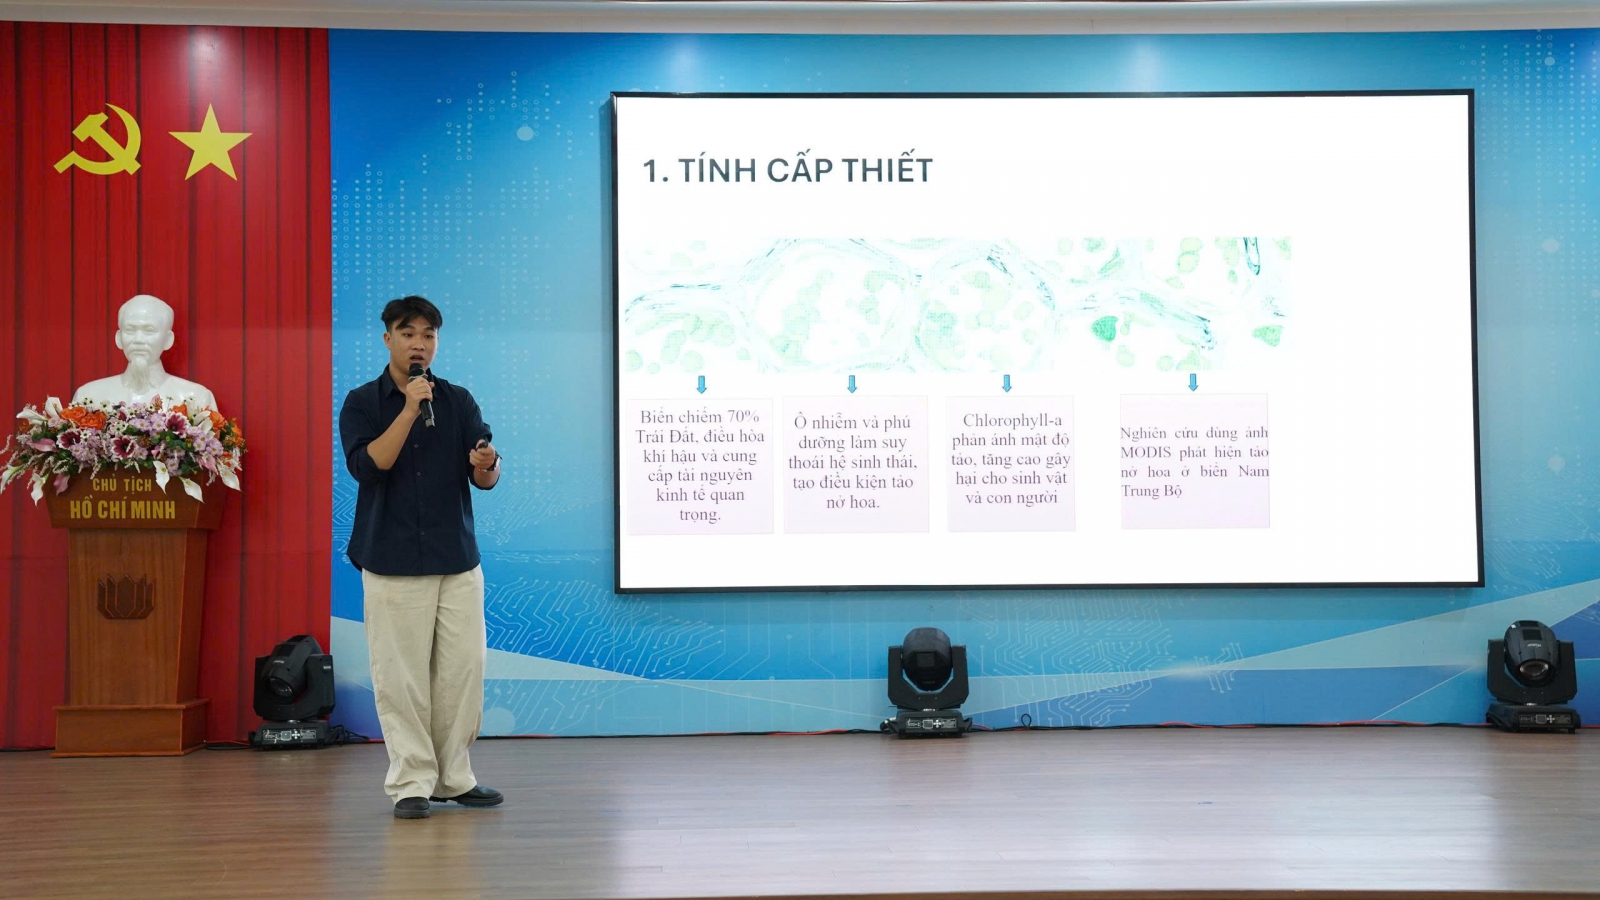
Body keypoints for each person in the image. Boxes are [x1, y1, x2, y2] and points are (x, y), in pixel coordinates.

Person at [339, 295, 504, 820]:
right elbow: (370, 467)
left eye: (428, 335)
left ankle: (454, 777)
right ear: (387, 338)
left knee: (462, 672)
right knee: (401, 676)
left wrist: (486, 462)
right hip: (391, 558)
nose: (419, 344)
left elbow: (484, 476)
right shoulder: (363, 402)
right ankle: (411, 782)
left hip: (455, 557)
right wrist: (409, 409)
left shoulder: (456, 399)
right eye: (408, 333)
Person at [72, 294, 216, 410]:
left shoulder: (196, 399)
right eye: (130, 330)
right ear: (119, 338)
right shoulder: (89, 397)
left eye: (149, 331)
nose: (138, 340)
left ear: (168, 340)